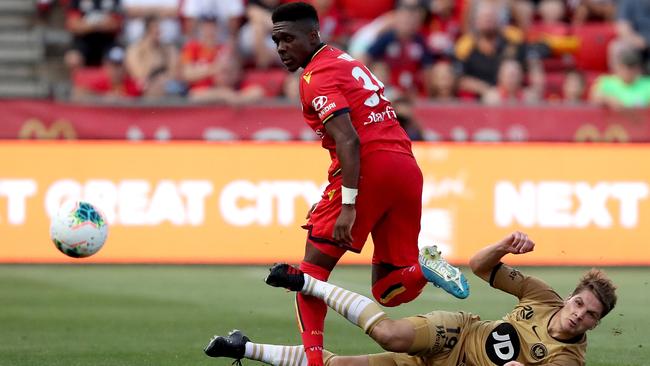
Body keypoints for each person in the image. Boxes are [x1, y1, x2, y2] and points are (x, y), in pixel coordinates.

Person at [262, 3, 469, 366]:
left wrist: (348, 205)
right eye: (276, 40)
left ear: (313, 35)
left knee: (310, 273)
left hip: (367, 169)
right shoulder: (345, 60)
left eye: (288, 38)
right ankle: (424, 269)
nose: (281, 48)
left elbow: (349, 140)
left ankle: (313, 362)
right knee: (389, 290)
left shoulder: (316, 77)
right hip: (405, 167)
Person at [204, 231, 618, 366]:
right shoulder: (543, 296)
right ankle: (305, 282)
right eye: (579, 305)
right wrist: (505, 244)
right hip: (456, 334)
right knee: (390, 334)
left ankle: (244, 346)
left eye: (590, 316)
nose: (579, 316)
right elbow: (479, 265)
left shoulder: (566, 360)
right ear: (569, 299)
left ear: (595, 326)